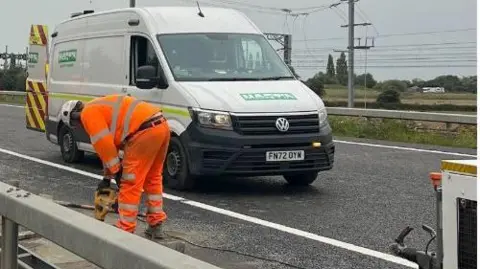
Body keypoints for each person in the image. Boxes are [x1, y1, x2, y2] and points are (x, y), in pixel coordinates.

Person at [60, 94, 171, 238]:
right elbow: (109, 148)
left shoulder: (87, 114)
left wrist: (116, 172)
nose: (79, 127)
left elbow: (105, 145)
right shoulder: (98, 107)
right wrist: (107, 177)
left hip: (143, 132)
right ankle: (156, 224)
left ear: (74, 117)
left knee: (130, 182)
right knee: (153, 177)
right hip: (161, 125)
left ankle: (125, 228)